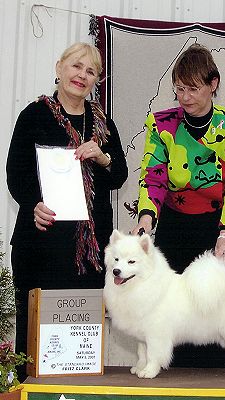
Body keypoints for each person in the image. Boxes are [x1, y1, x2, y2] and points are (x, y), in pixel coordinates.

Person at [6, 42, 128, 379]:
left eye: (90, 72)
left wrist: (102, 157)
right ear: (60, 68)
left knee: (78, 347)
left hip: (88, 255)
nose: (82, 76)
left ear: (95, 81)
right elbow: (16, 174)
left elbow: (119, 176)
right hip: (40, 246)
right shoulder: (33, 115)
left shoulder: (104, 125)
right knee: (34, 344)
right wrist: (33, 205)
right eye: (76, 66)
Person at [131, 43, 225, 368]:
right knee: (170, 317)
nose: (185, 97)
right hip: (174, 227)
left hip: (218, 228)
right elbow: (153, 175)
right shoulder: (161, 124)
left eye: (193, 88)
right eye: (179, 89)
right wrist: (145, 220)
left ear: (213, 84)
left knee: (212, 317)